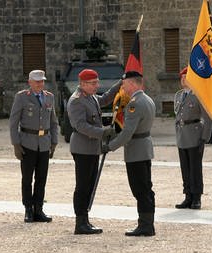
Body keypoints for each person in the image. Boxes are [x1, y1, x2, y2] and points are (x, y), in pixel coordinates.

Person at [102, 71, 156, 236]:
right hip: (144, 148)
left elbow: (127, 133)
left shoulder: (134, 104)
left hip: (136, 151)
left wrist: (109, 146)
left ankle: (145, 226)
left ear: (132, 84)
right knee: (146, 188)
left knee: (140, 189)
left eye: (124, 85)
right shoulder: (147, 99)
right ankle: (147, 224)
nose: (122, 88)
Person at [67, 69, 120, 234]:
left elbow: (105, 99)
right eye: (93, 83)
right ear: (82, 84)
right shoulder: (76, 101)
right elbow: (80, 125)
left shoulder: (90, 97)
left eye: (97, 82)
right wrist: (103, 132)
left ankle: (85, 220)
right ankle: (80, 222)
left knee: (90, 184)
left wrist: (121, 83)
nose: (96, 86)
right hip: (82, 148)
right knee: (83, 186)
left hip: (92, 148)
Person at [9, 70, 58, 223]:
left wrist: (54, 141)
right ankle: (28, 209)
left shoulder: (49, 97)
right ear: (29, 82)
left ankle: (39, 209)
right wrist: (16, 144)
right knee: (27, 178)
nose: (40, 84)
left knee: (41, 178)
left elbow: (53, 121)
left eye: (42, 81)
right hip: (27, 143)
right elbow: (13, 122)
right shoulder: (22, 97)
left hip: (44, 143)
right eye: (37, 81)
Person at [174, 67, 212, 210]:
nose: (183, 80)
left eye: (186, 77)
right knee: (185, 168)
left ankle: (196, 197)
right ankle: (188, 196)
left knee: (195, 168)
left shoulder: (198, 95)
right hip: (182, 136)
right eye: (182, 77)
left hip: (195, 134)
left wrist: (205, 137)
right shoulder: (179, 96)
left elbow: (208, 117)